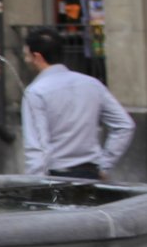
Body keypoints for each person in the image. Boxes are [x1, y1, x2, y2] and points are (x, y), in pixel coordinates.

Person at [21, 28, 134, 180]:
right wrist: (104, 165)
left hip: (57, 176)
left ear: (37, 57)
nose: (26, 60)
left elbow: (37, 147)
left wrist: (35, 184)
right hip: (91, 174)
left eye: (26, 55)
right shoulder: (92, 84)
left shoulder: (35, 92)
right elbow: (125, 125)